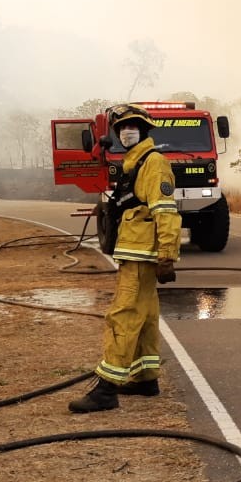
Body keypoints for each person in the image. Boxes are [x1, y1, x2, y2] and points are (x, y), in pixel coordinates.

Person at [70, 104, 181, 413]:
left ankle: (106, 390)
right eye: (121, 128)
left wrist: (167, 257)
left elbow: (166, 212)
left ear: (144, 130)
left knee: (123, 315)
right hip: (136, 254)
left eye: (131, 126)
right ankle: (146, 378)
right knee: (145, 318)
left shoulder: (153, 163)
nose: (125, 132)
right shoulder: (136, 163)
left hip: (143, 256)